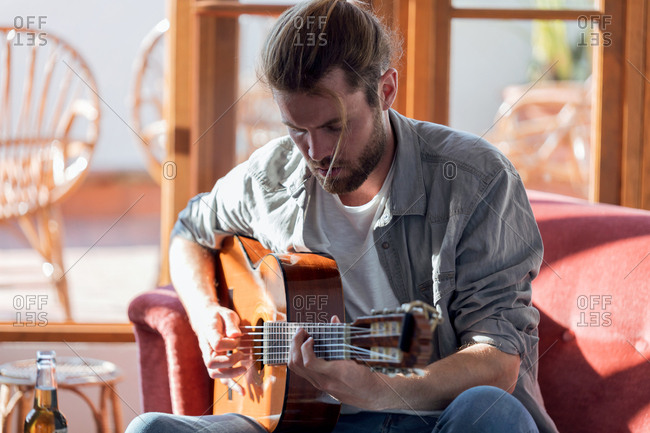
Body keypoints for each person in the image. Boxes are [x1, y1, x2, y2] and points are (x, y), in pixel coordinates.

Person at [126, 0, 558, 432]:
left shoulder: (475, 178)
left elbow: (497, 360)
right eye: (297, 129)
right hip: (298, 420)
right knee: (150, 429)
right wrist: (206, 317)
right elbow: (190, 231)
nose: (315, 154)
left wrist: (373, 388)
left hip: (434, 420)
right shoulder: (272, 176)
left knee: (491, 411)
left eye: (334, 127)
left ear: (385, 90)